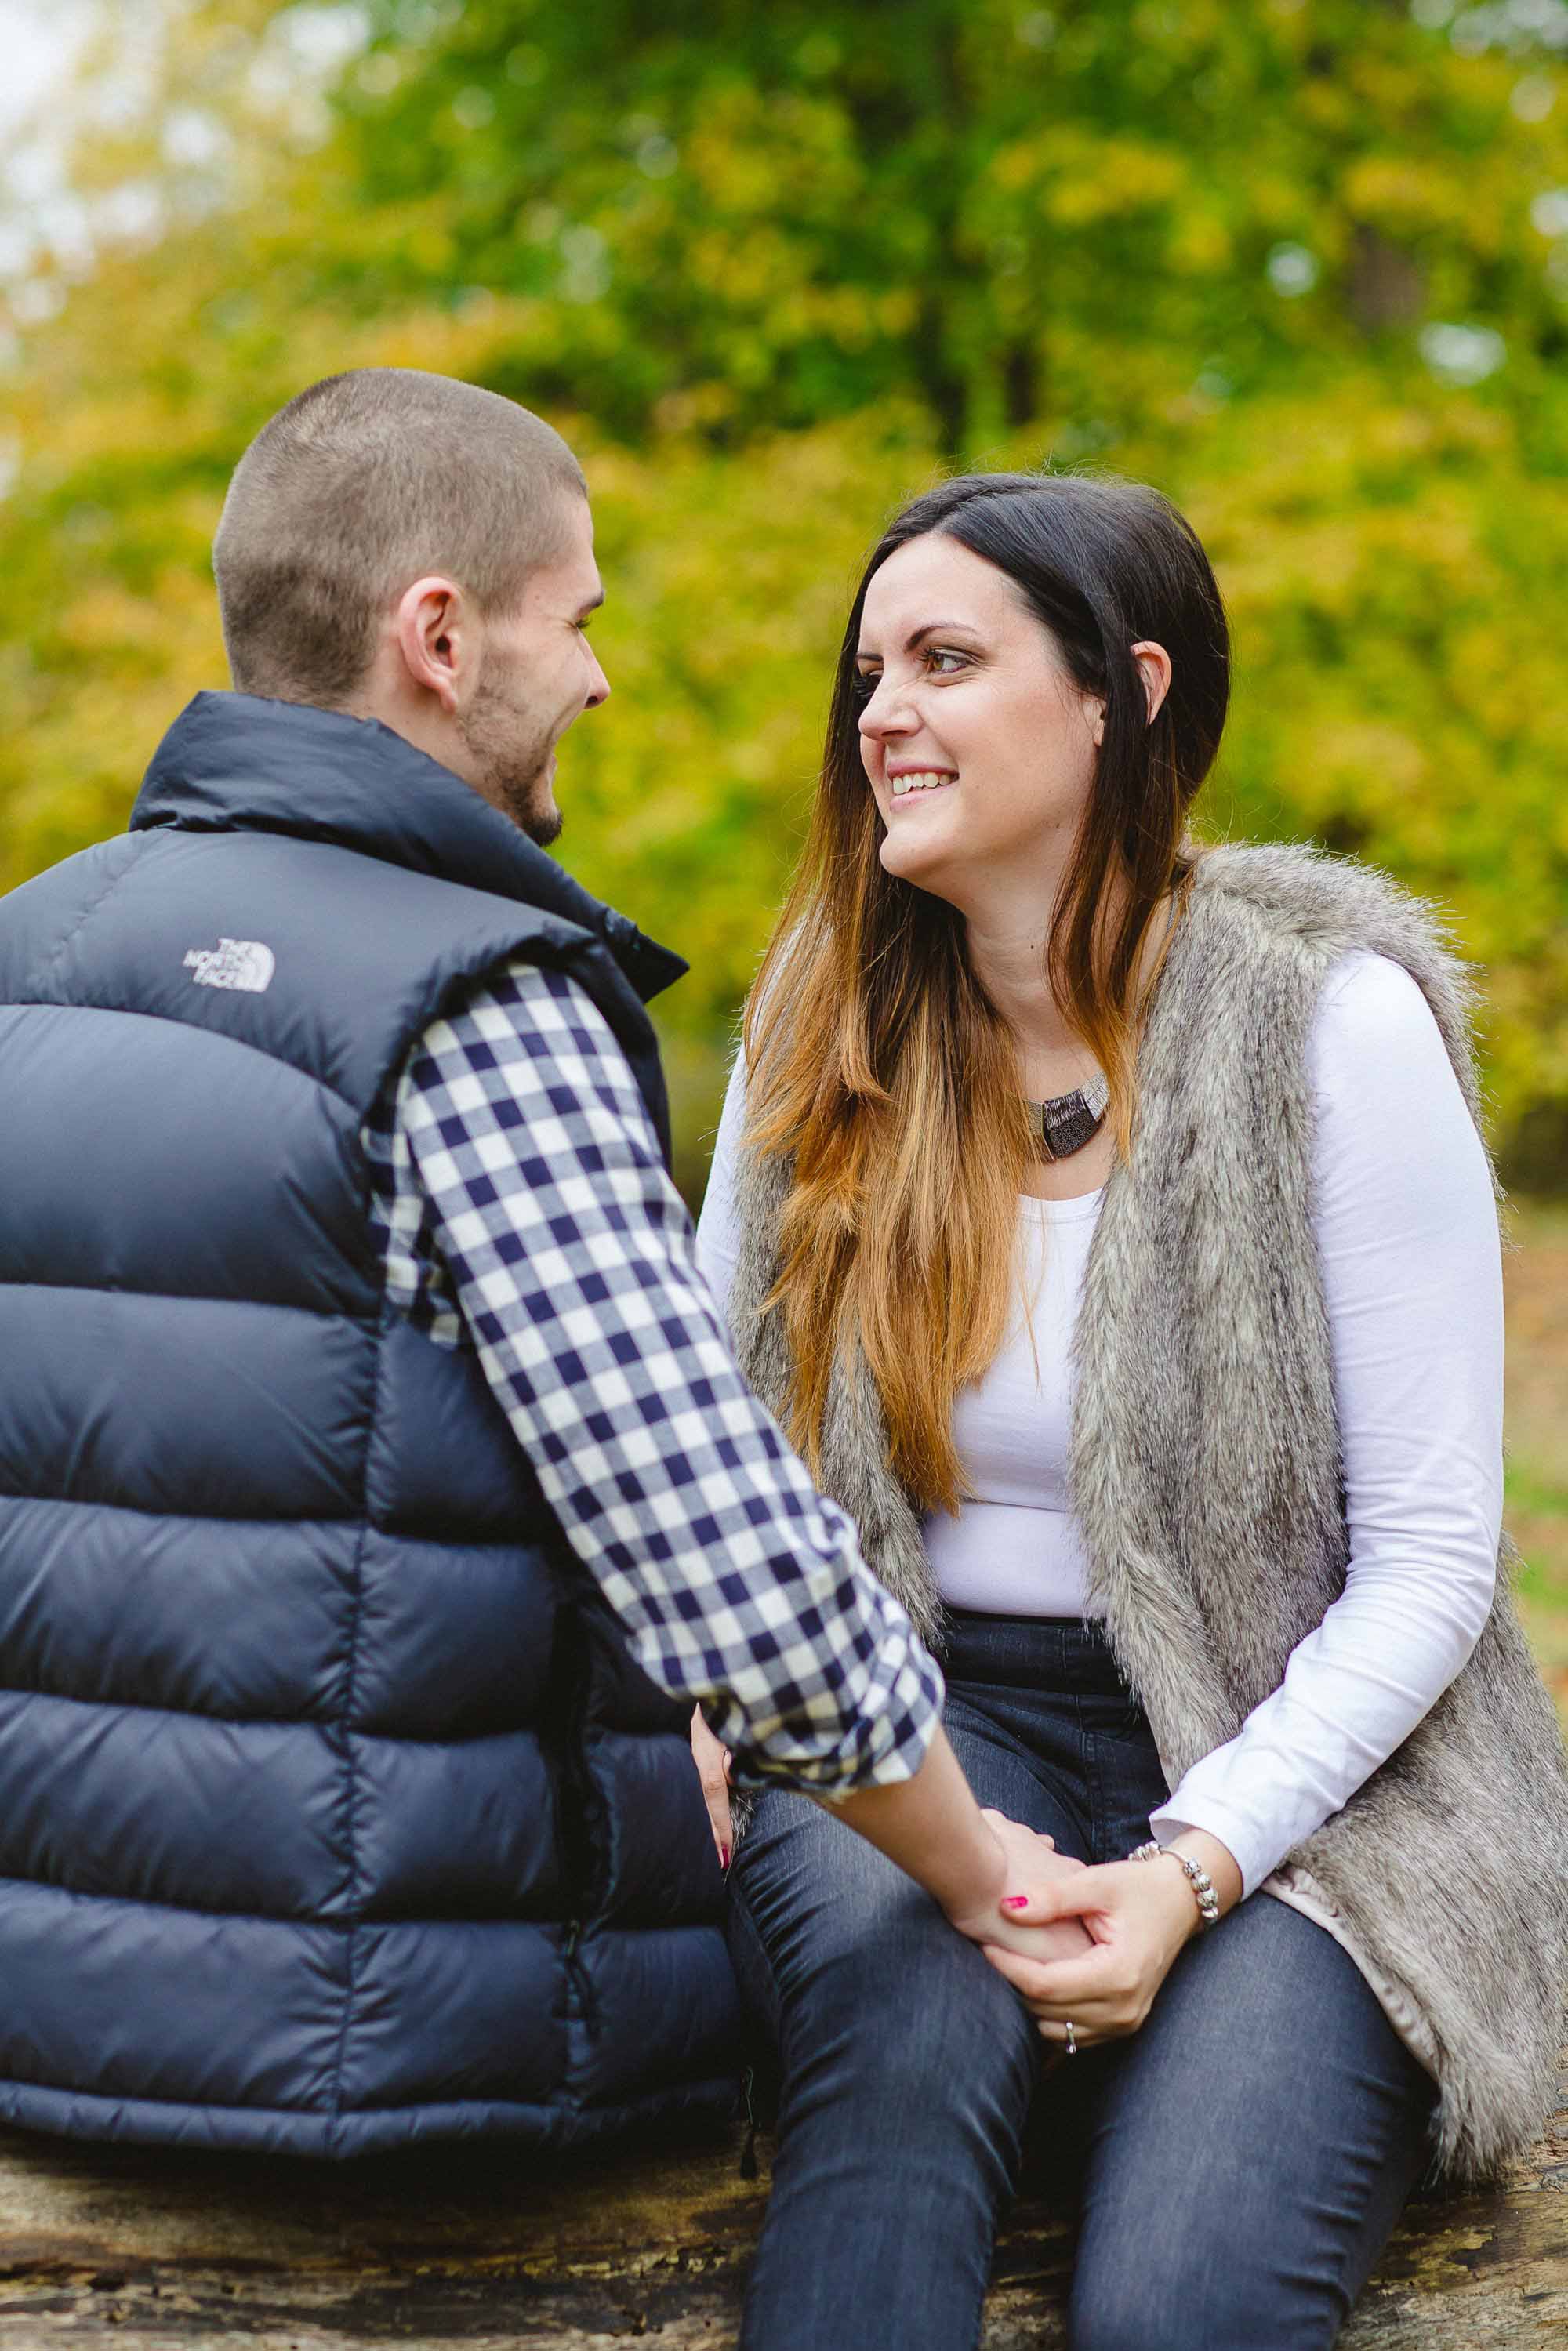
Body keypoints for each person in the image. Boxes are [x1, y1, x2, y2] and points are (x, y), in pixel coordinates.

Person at [0, 369, 1076, 2160]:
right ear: (438, 634)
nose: (595, 673)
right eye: (571, 620)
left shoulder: (29, 952)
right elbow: (721, 1559)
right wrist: (981, 1865)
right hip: (390, 2051)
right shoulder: (481, 1004)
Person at [694, 469, 1568, 2349]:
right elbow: (713, 1467)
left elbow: (1429, 1564)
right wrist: (703, 1711)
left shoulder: (1329, 1028)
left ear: (1121, 692)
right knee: (900, 2048)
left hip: (1320, 1765)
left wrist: (1191, 1863)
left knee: (1188, 2292)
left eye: (944, 659)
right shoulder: (818, 1023)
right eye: (867, 672)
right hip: (911, 1722)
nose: (880, 717)